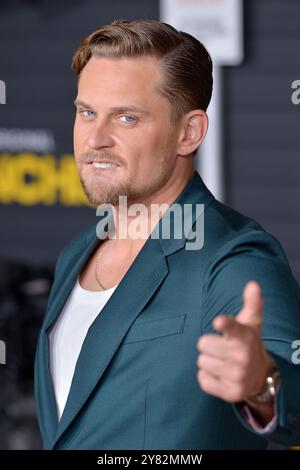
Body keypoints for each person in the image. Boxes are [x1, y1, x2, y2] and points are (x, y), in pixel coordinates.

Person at [34, 19, 300, 450]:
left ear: (188, 132)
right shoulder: (76, 254)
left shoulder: (232, 256)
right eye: (87, 113)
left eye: (126, 117)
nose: (95, 139)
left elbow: (292, 383)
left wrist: (263, 385)